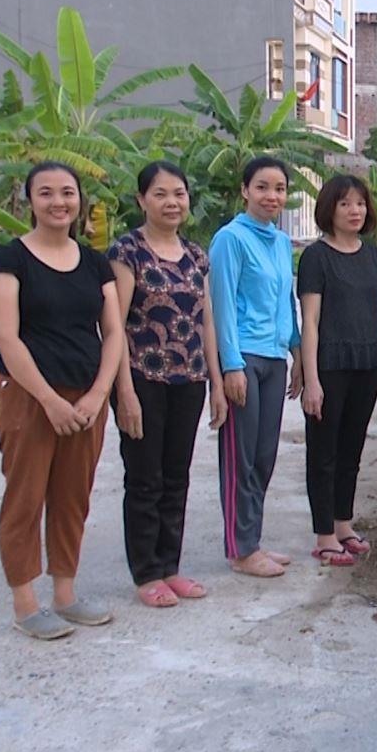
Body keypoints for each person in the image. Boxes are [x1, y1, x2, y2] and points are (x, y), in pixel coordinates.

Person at [0, 161, 124, 639]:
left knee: (72, 496)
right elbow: (7, 338)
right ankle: (25, 604)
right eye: (46, 193)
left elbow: (113, 333)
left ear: (79, 200)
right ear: (30, 201)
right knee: (25, 497)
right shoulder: (10, 260)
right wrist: (48, 399)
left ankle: (65, 594)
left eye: (67, 192)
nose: (58, 202)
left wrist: (98, 394)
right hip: (29, 396)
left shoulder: (95, 263)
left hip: (86, 397)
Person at [108, 161, 229, 608]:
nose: (171, 202)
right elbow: (114, 325)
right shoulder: (127, 252)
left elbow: (206, 321)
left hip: (189, 379)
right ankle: (146, 573)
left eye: (178, 193)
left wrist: (216, 383)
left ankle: (170, 566)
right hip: (143, 378)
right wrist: (123, 391)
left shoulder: (196, 255)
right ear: (141, 200)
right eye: (160, 194)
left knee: (177, 476)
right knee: (145, 478)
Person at [298, 175, 377, 567]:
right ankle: (324, 535)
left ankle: (343, 524)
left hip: (367, 366)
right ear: (330, 209)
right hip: (330, 368)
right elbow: (310, 322)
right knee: (323, 453)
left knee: (352, 451)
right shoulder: (316, 258)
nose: (354, 210)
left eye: (360, 203)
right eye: (344, 203)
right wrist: (311, 380)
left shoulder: (375, 257)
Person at [209, 156, 303, 579]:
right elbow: (222, 305)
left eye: (279, 189)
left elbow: (287, 302)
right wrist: (231, 366)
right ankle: (240, 549)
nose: (272, 196)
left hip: (275, 358)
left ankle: (253, 539)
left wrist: (296, 352)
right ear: (245, 191)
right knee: (240, 457)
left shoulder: (281, 242)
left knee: (264, 456)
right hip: (243, 357)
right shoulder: (230, 239)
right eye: (262, 187)